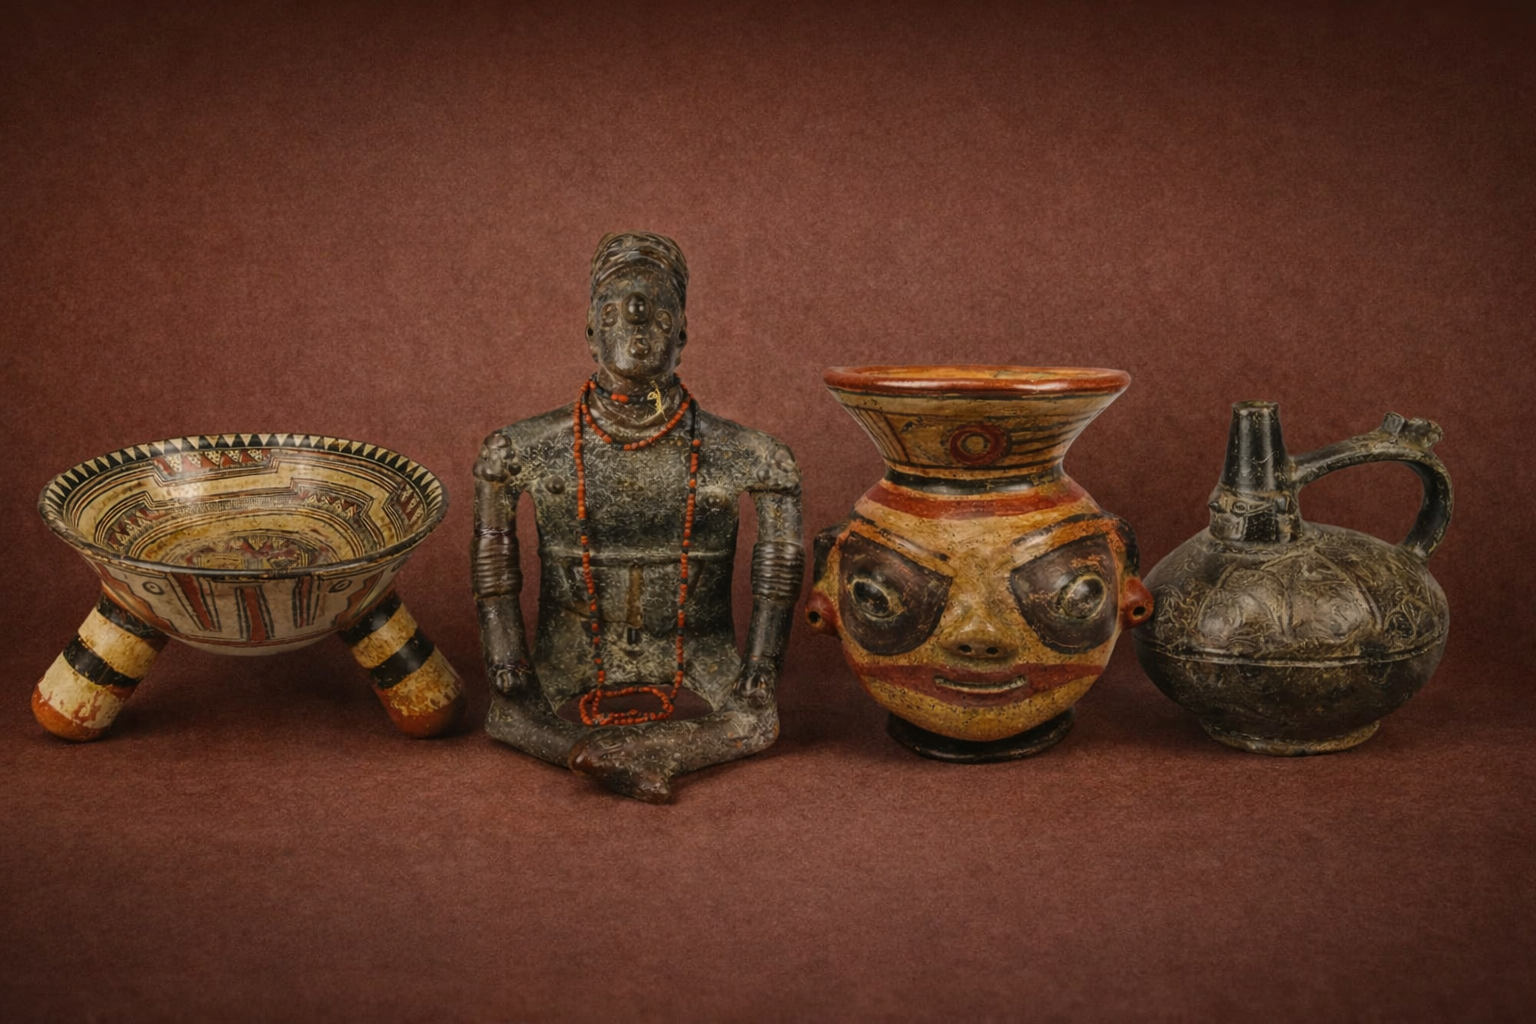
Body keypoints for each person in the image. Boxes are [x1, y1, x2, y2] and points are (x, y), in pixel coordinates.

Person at [472, 232, 803, 802]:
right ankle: (609, 754)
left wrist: (762, 662)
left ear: (682, 333)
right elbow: (494, 566)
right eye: (614, 311)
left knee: (755, 717)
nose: (636, 321)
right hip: (564, 650)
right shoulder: (518, 448)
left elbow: (778, 571)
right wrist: (506, 658)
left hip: (702, 651)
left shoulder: (755, 456)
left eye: (657, 313)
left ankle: (626, 754)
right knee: (513, 714)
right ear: (590, 333)